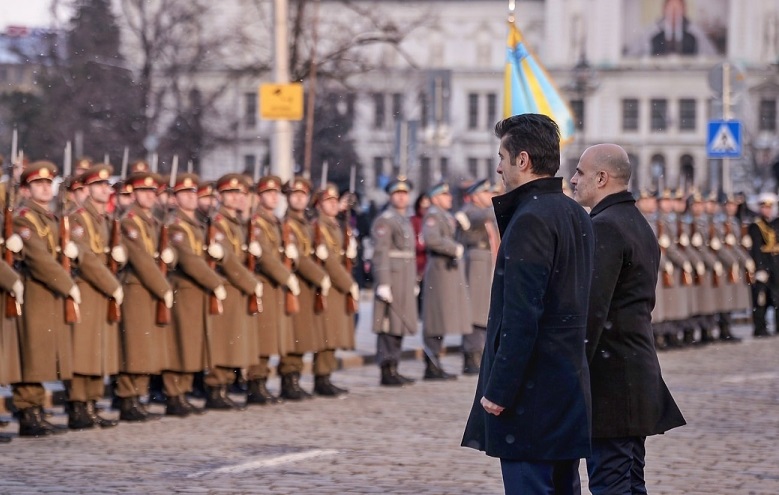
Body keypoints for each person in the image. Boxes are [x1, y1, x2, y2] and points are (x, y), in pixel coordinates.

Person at [462, 114, 594, 494]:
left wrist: (500, 389)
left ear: (522, 160)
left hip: (532, 394)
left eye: (502, 156)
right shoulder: (574, 214)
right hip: (566, 384)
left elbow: (522, 316)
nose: (498, 167)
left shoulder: (531, 218)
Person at [570, 143, 686, 494]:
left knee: (611, 483)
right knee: (629, 480)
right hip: (631, 371)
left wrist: (571, 369)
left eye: (580, 172)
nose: (573, 180)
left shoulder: (605, 226)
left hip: (613, 380)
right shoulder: (634, 221)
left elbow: (592, 310)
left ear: (602, 178)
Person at [13, 161, 81, 437]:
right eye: (37, 184)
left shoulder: (51, 218)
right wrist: (68, 285)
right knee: (32, 353)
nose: (44, 187)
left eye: (47, 183)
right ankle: (28, 412)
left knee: (41, 354)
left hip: (50, 293)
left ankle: (37, 409)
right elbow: (40, 260)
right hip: (35, 293)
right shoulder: (24, 219)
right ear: (27, 190)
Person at [66, 164, 125, 429]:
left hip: (103, 287)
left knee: (97, 349)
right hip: (90, 286)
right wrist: (112, 284)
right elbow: (86, 258)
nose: (105, 189)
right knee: (84, 350)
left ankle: (91, 402)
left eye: (106, 186)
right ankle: (79, 405)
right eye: (99, 186)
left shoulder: (104, 219)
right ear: (88, 189)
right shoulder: (80, 217)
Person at [310, 183, 359, 396]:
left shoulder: (338, 226)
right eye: (327, 201)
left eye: (334, 200)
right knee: (325, 335)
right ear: (319, 205)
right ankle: (321, 377)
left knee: (333, 336)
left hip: (338, 286)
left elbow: (343, 259)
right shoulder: (317, 227)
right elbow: (329, 261)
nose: (332, 204)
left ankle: (327, 375)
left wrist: (352, 252)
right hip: (328, 286)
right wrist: (348, 283)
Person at [421, 182, 471, 380]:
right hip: (439, 271)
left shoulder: (444, 215)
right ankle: (432, 365)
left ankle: (435, 363)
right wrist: (453, 248)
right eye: (445, 195)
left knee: (441, 319)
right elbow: (431, 239)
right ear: (435, 198)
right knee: (435, 318)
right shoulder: (433, 215)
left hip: (447, 271)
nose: (449, 198)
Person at [371, 177, 418, 386]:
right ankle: (386, 368)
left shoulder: (404, 219)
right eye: (397, 194)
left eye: (405, 193)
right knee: (388, 324)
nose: (402, 197)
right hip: (391, 277)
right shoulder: (385, 220)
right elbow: (380, 252)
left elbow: (410, 253)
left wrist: (414, 280)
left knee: (400, 324)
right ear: (390, 196)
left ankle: (395, 365)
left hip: (405, 278)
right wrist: (383, 282)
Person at [456, 178, 497, 375]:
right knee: (475, 311)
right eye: (485, 193)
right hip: (476, 263)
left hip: (487, 263)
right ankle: (470, 354)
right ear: (474, 196)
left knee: (483, 311)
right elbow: (478, 217)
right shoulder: (470, 211)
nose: (489, 197)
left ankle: (477, 352)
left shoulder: (486, 213)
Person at [747, 193, 779, 337]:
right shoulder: (756, 226)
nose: (767, 210)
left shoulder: (775, 224)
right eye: (764, 207)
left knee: (777, 298)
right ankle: (760, 328)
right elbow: (755, 249)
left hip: (775, 266)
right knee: (761, 299)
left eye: (769, 207)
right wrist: (759, 267)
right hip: (763, 266)